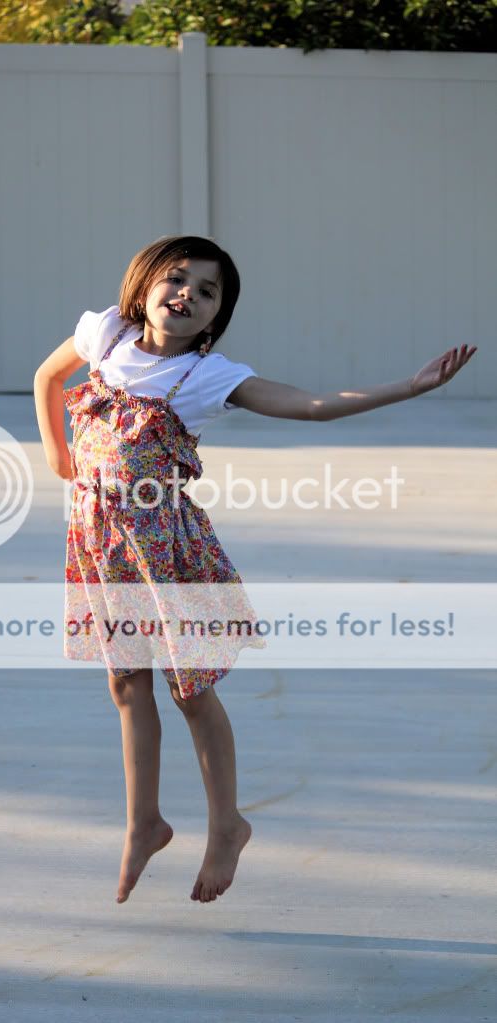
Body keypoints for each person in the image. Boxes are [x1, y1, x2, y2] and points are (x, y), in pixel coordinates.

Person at [34, 234, 477, 906]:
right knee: (125, 685)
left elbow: (311, 403)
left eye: (206, 291)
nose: (186, 294)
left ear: (217, 316)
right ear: (144, 284)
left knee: (190, 692)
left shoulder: (207, 378)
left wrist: (409, 387)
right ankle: (144, 822)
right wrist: (58, 456)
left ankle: (227, 826)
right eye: (176, 278)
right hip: (103, 544)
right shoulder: (106, 335)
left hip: (166, 554)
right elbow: (48, 377)